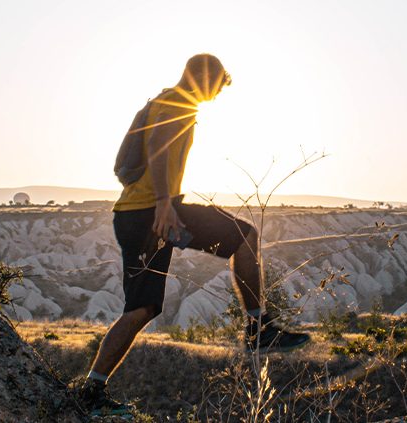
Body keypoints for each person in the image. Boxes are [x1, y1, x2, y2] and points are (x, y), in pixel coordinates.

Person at [77, 53, 311, 418]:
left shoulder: (165, 100)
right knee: (244, 235)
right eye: (217, 86)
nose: (217, 94)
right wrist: (163, 203)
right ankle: (259, 329)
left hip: (140, 214)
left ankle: (91, 389)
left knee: (143, 308)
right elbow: (157, 146)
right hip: (149, 213)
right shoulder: (176, 103)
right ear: (204, 79)